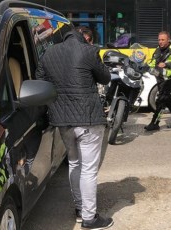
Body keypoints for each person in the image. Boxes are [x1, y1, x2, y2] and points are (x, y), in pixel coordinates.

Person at [35, 29, 114, 229]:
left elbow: (40, 83)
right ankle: (89, 218)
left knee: (74, 163)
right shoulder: (88, 51)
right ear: (85, 38)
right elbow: (105, 78)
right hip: (87, 119)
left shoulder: (48, 54)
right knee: (88, 169)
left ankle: (80, 209)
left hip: (62, 121)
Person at [144, 31, 171, 131]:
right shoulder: (158, 49)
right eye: (159, 40)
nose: (160, 42)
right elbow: (153, 62)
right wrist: (145, 66)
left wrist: (166, 64)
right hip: (160, 77)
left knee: (161, 100)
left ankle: (155, 123)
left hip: (170, 78)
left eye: (163, 40)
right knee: (167, 98)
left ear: (168, 40)